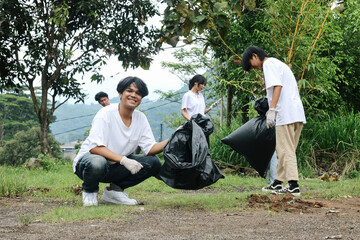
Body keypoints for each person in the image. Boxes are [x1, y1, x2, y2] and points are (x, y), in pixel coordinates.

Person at [73, 76, 168, 206]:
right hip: (89, 164)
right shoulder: (105, 113)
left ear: (141, 98)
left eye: (138, 93)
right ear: (120, 93)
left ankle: (114, 191)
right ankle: (89, 191)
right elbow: (95, 148)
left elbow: (150, 148)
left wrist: (174, 138)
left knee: (154, 162)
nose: (134, 95)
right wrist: (124, 160)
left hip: (115, 167)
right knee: (98, 162)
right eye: (129, 91)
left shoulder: (140, 118)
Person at [241, 46, 306, 196]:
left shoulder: (268, 65)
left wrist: (272, 109)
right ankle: (278, 182)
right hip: (296, 113)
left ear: (255, 56)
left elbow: (278, 86)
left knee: (285, 150)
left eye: (252, 64)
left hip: (286, 114)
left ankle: (293, 185)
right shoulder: (278, 63)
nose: (254, 68)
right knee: (286, 149)